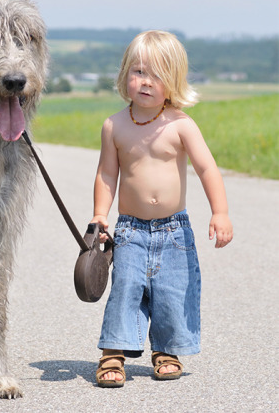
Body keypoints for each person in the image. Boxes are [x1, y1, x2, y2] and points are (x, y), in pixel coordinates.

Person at [91, 30, 233, 388]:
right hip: (130, 230)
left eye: (157, 75)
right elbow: (107, 174)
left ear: (173, 83)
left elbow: (207, 169)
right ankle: (113, 354)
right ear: (125, 74)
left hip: (174, 230)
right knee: (125, 289)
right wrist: (99, 214)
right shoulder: (115, 125)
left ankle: (166, 350)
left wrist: (220, 212)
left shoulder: (181, 125)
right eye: (138, 71)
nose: (146, 82)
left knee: (173, 290)